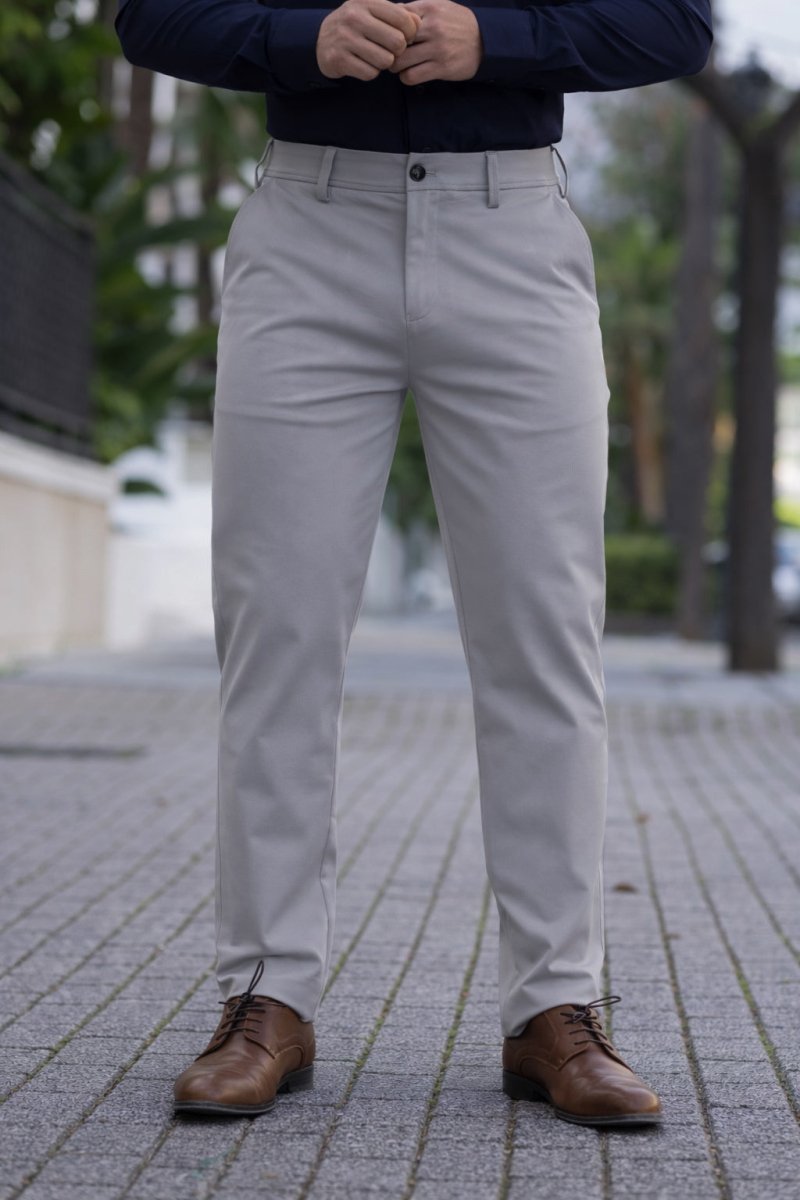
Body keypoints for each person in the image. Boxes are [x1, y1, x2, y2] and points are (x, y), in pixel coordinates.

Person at [115, 0, 712, 1128]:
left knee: (542, 640)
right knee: (278, 635)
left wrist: (497, 40)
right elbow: (152, 18)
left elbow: (675, 25)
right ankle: (267, 997)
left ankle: (554, 1007)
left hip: (512, 226)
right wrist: (302, 39)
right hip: (308, 227)